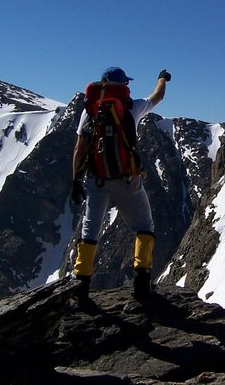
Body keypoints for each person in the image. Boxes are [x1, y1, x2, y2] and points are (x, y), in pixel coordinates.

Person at [70, 66, 170, 299]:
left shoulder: (89, 111)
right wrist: (162, 78)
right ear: (123, 86)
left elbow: (79, 148)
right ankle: (141, 283)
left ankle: (80, 287)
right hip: (128, 180)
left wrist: (75, 180)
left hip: (97, 180)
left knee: (89, 230)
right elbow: (158, 96)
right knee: (145, 227)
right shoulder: (132, 107)